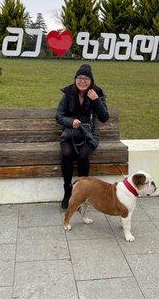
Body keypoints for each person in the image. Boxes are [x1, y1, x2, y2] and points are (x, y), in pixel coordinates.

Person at [56, 64, 109, 209]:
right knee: (66, 153)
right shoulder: (69, 93)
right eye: (79, 77)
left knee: (82, 155)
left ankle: (81, 193)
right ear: (75, 79)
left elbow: (104, 117)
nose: (82, 81)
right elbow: (59, 115)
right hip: (70, 133)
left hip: (89, 135)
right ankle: (68, 191)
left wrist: (96, 100)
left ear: (91, 81)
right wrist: (71, 122)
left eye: (86, 78)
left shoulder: (97, 93)